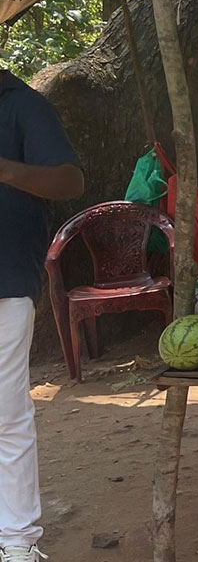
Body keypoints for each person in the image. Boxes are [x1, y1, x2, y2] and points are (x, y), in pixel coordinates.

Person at [1, 67, 84, 562]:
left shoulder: (22, 105)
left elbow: (70, 180)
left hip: (5, 280)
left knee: (6, 413)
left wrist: (5, 169)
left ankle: (17, 541)